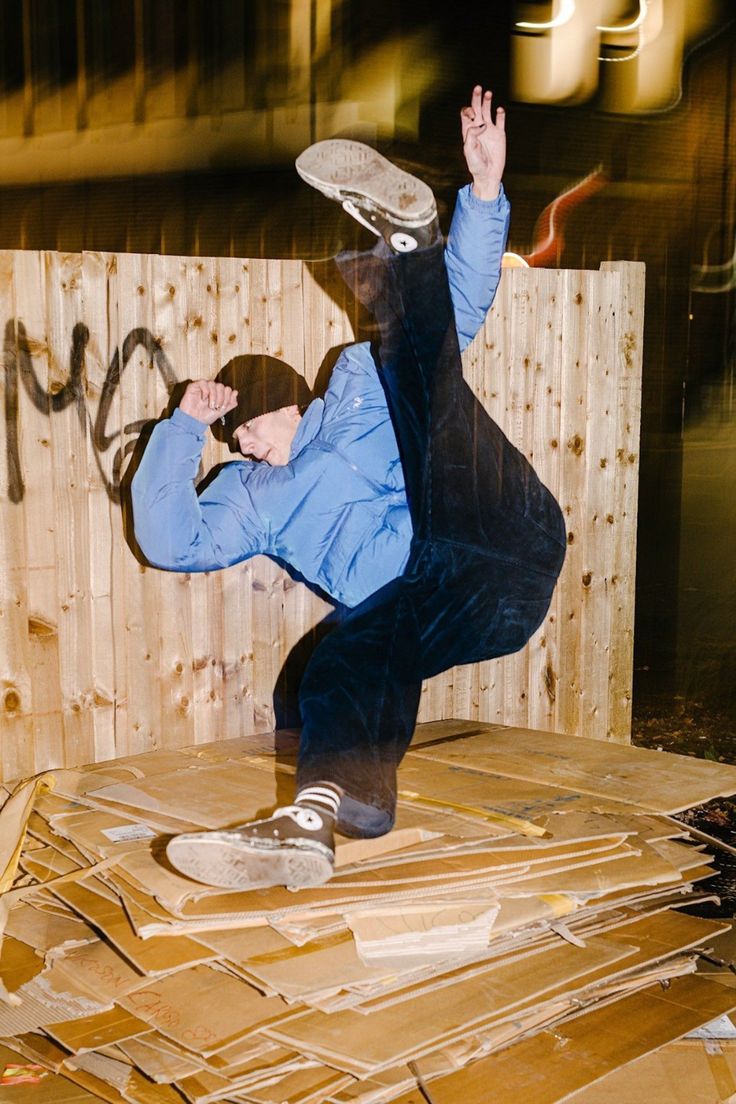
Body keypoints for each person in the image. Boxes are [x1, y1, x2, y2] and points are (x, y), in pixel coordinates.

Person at [131, 87, 566, 891]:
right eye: (235, 443)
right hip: (458, 601)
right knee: (341, 659)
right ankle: (311, 821)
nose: (244, 446)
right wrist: (184, 428)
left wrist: (485, 194)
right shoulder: (251, 499)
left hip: (496, 518)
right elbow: (172, 541)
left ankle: (411, 239)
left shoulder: (356, 388)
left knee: (412, 373)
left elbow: (460, 311)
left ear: (284, 404)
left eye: (247, 429)